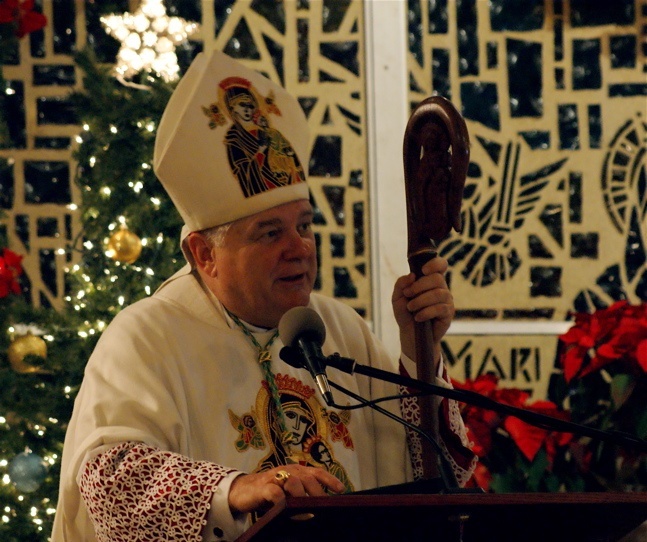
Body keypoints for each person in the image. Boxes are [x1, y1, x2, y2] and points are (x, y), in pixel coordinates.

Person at [52, 48, 476, 542]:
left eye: (304, 225)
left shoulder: (340, 329)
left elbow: (433, 476)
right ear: (204, 255)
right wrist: (235, 490)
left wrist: (417, 349)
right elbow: (111, 483)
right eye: (270, 233)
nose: (298, 248)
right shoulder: (146, 337)